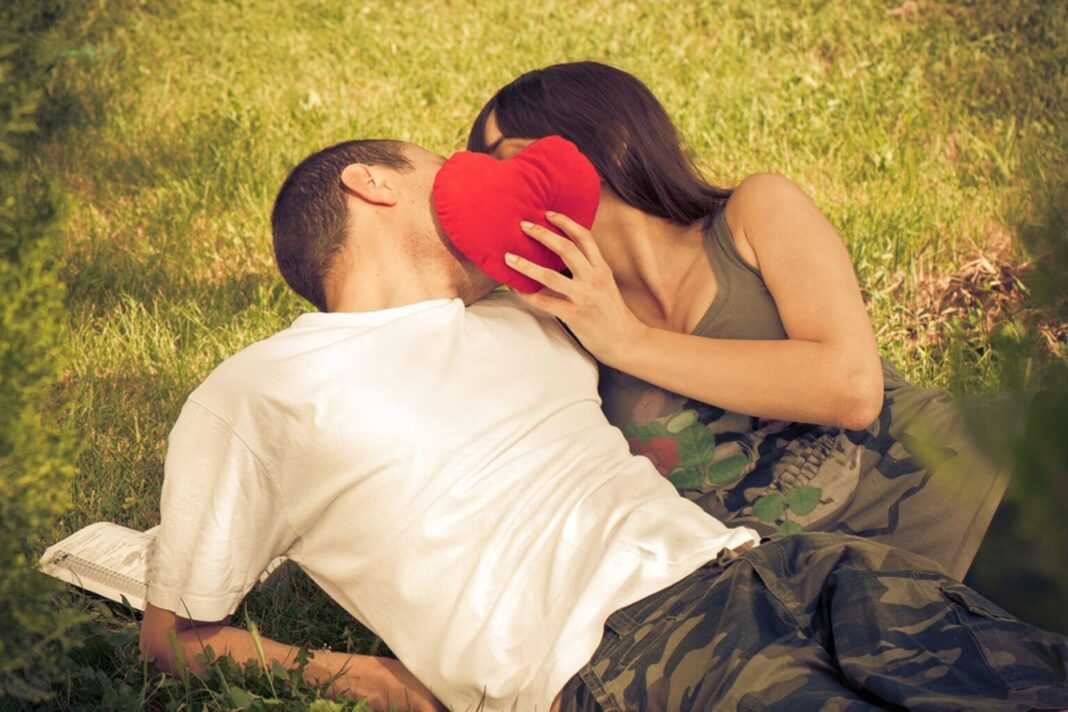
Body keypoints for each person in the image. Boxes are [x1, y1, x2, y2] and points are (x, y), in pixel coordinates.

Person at [139, 138, 1068, 712]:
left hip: (782, 568)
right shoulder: (261, 390)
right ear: (373, 183)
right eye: (443, 168)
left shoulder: (534, 315)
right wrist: (373, 680)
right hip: (621, 660)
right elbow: (174, 636)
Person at [467, 61, 1008, 582]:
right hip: (858, 604)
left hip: (973, 496)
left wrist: (630, 343)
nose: (503, 192)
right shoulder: (556, 327)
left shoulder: (755, 212)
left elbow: (850, 388)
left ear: (612, 140)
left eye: (511, 161)